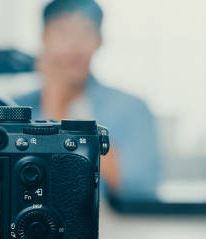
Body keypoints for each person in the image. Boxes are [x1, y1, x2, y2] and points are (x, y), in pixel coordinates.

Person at [14, 0, 161, 198]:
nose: (74, 43)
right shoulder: (13, 108)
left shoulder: (131, 108)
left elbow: (141, 184)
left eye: (85, 32)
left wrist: (58, 110)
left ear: (99, 40)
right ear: (44, 37)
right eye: (63, 31)